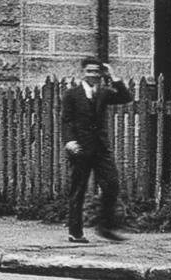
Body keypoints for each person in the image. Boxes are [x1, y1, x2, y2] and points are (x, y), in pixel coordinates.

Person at [61, 57, 133, 243]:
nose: (93, 75)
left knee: (112, 185)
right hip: (80, 148)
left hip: (101, 148)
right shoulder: (71, 94)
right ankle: (75, 232)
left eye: (96, 72)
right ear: (83, 73)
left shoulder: (103, 93)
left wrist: (113, 76)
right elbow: (66, 120)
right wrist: (69, 141)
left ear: (101, 74)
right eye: (89, 71)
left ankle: (105, 227)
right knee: (78, 190)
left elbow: (126, 97)